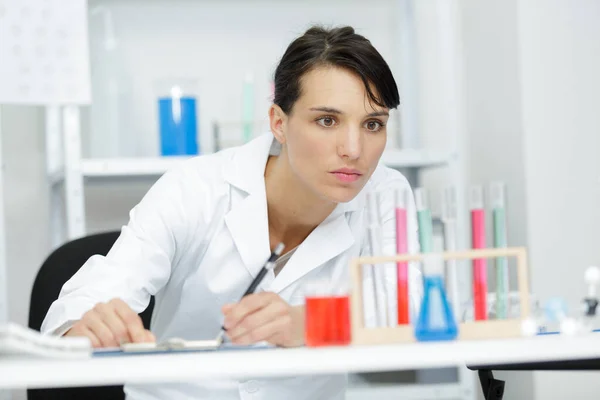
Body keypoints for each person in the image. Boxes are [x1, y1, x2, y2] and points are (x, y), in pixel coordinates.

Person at [41, 25, 422, 399]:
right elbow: (86, 301)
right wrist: (87, 325)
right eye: (327, 120)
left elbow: (410, 315)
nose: (354, 149)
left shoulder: (384, 194)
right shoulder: (195, 189)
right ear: (279, 123)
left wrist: (307, 324)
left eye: (373, 124)